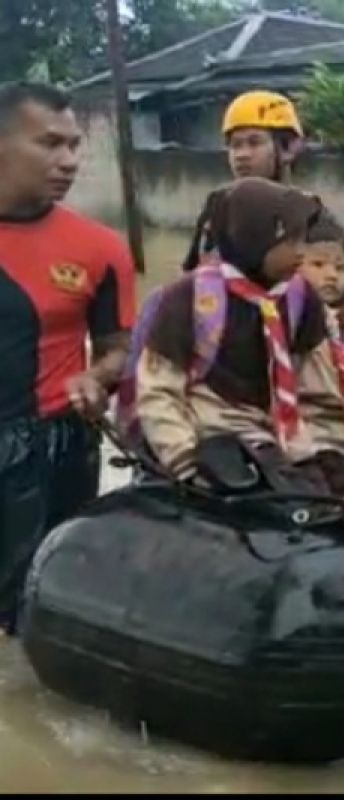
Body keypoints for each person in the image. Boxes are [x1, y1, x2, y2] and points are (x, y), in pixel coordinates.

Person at [135, 178, 344, 496]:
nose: (301, 253)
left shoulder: (301, 298)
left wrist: (335, 451)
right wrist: (184, 462)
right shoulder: (188, 296)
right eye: (292, 241)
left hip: (285, 434)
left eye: (304, 241)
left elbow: (319, 389)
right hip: (216, 433)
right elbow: (158, 391)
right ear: (255, 237)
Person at [0, 82, 135, 635]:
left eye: (75, 145)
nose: (70, 161)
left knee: (39, 606)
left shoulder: (100, 248)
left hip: (58, 447)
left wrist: (97, 376)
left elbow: (120, 350)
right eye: (50, 144)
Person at [182, 90, 344, 339]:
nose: (242, 154)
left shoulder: (318, 222)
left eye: (254, 142)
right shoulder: (216, 215)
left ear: (289, 148)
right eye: (235, 145)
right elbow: (187, 296)